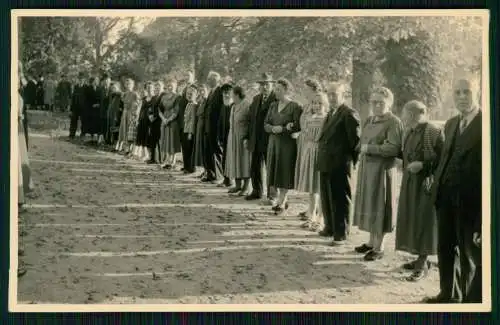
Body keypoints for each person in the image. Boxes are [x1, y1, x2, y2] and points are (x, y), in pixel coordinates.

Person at [423, 76, 482, 303]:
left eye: (466, 92)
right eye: (457, 92)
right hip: (445, 199)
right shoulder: (450, 124)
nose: (461, 97)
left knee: (468, 256)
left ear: (476, 93)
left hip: (470, 203)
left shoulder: (485, 123)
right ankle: (448, 295)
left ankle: (467, 303)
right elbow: (444, 158)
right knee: (445, 250)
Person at [352, 86, 403, 261]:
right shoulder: (369, 120)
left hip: (382, 171)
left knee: (380, 205)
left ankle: (379, 247)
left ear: (389, 103)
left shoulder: (393, 122)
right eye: (373, 102)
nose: (376, 106)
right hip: (367, 169)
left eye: (380, 103)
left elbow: (393, 148)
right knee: (369, 204)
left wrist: (370, 148)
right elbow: (362, 140)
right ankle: (371, 241)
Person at [396, 100, 443, 282]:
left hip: (426, 184)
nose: (403, 117)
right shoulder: (409, 132)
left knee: (425, 221)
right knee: (413, 219)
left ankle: (423, 263)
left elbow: (443, 158)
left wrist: (423, 165)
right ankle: (419, 258)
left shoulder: (433, 131)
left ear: (416, 114)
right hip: (410, 183)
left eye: (406, 113)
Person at [317, 82, 361, 245]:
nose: (331, 97)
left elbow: (355, 142)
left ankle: (341, 233)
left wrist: (350, 162)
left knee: (340, 199)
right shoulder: (330, 113)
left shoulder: (349, 114)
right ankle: (330, 227)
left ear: (343, 95)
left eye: (334, 94)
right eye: (329, 94)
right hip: (326, 162)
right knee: (326, 197)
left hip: (340, 164)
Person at [264, 78, 303, 213]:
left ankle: (281, 202)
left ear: (286, 90)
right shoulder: (273, 106)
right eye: (275, 89)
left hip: (287, 145)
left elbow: (298, 126)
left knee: (284, 171)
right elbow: (265, 124)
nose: (276, 92)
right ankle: (283, 199)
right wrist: (273, 128)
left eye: (279, 89)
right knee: (274, 172)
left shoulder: (295, 106)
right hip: (273, 143)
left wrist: (285, 129)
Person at [295, 90, 329, 232]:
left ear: (325, 104)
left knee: (320, 187)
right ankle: (311, 216)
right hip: (309, 151)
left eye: (320, 103)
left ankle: (320, 219)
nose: (317, 106)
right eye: (314, 103)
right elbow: (304, 132)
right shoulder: (308, 118)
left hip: (320, 152)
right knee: (311, 188)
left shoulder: (327, 119)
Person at [245, 73, 278, 204]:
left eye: (267, 84)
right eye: (262, 84)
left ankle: (272, 195)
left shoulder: (276, 100)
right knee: (255, 166)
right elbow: (251, 121)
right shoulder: (255, 99)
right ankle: (256, 191)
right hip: (256, 139)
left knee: (271, 167)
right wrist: (247, 137)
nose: (264, 87)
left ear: (272, 85)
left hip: (269, 139)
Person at [202, 71, 224, 183]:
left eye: (211, 79)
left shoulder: (220, 92)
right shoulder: (210, 92)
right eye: (208, 79)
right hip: (207, 126)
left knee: (216, 151)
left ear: (217, 80)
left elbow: (221, 111)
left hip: (215, 127)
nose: (209, 81)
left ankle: (219, 176)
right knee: (208, 151)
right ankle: (210, 174)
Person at [158, 78, 182, 169]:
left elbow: (176, 111)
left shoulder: (177, 97)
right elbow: (159, 109)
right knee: (165, 140)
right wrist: (163, 119)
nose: (170, 87)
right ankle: (167, 160)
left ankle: (173, 161)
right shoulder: (163, 97)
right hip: (164, 119)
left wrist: (169, 119)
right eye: (169, 86)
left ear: (175, 86)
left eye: (172, 85)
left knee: (172, 140)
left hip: (173, 121)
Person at [218, 83, 235, 188]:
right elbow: (220, 121)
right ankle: (226, 179)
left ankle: (230, 180)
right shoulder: (223, 105)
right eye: (224, 93)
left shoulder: (233, 106)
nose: (226, 95)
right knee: (224, 158)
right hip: (224, 136)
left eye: (228, 93)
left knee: (230, 158)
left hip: (231, 136)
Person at [179, 71, 196, 170]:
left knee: (189, 146)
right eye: (185, 75)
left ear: (192, 77)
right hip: (183, 121)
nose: (186, 77)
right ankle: (185, 165)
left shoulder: (194, 88)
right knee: (184, 146)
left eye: (188, 76)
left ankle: (190, 166)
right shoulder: (183, 88)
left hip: (189, 122)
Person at [146, 80, 166, 164]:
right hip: (153, 121)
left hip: (160, 120)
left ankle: (161, 159)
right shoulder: (153, 97)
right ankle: (153, 158)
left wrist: (157, 117)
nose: (157, 88)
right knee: (152, 140)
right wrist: (150, 115)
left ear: (162, 87)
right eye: (156, 86)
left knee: (160, 140)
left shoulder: (164, 96)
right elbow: (149, 108)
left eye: (159, 86)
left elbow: (164, 109)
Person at [181, 84, 199, 174]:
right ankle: (186, 166)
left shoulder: (194, 105)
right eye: (188, 94)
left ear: (195, 95)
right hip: (185, 129)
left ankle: (190, 168)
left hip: (189, 131)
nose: (189, 95)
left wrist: (190, 133)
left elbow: (192, 120)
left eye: (191, 94)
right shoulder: (189, 104)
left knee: (189, 149)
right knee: (185, 148)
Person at [135, 82, 155, 161]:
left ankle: (150, 156)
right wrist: (137, 120)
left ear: (153, 88)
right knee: (142, 137)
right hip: (142, 120)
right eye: (147, 88)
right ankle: (144, 155)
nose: (149, 89)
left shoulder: (155, 98)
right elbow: (140, 110)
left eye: (150, 87)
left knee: (148, 137)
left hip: (150, 121)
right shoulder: (143, 99)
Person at [193, 84, 209, 176]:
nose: (201, 92)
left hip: (203, 126)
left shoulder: (207, 101)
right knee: (199, 148)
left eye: (203, 90)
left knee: (204, 148)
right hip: (199, 125)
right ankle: (204, 170)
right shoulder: (200, 101)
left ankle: (207, 171)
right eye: (200, 91)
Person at [69, 72, 87, 139]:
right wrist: (71, 109)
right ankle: (72, 134)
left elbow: (88, 98)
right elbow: (73, 98)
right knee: (73, 120)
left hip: (83, 107)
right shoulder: (76, 87)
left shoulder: (86, 87)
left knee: (84, 121)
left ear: (84, 80)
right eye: (79, 79)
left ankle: (83, 134)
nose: (80, 80)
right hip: (75, 107)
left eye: (82, 79)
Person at [106, 82, 123, 147]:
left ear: (118, 87)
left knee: (116, 127)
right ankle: (110, 141)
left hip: (117, 114)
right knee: (110, 126)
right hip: (111, 113)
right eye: (112, 88)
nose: (113, 89)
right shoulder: (112, 95)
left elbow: (122, 103)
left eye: (114, 88)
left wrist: (120, 109)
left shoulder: (120, 94)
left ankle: (115, 143)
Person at [98, 73, 112, 145]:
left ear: (110, 81)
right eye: (105, 80)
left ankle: (109, 140)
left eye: (107, 80)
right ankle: (102, 139)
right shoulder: (101, 89)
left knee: (109, 124)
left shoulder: (112, 89)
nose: (106, 82)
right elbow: (99, 99)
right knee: (102, 124)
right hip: (102, 109)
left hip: (110, 110)